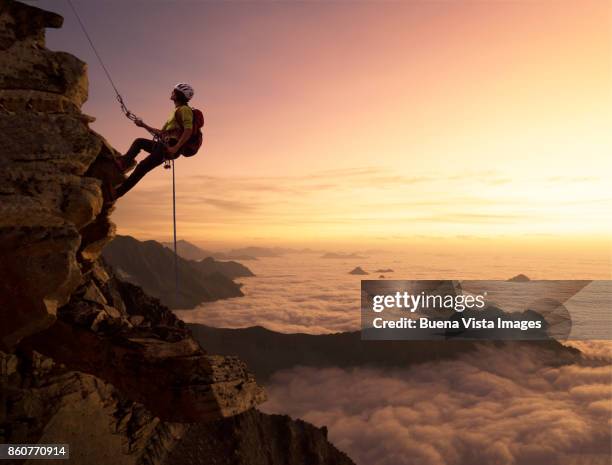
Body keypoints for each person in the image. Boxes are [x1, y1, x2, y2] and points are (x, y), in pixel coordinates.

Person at [113, 83, 195, 198]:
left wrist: (175, 148)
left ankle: (117, 193)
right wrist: (143, 125)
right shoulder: (176, 111)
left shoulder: (185, 110)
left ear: (179, 95)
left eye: (174, 91)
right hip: (164, 145)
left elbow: (188, 130)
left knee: (142, 167)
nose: (172, 93)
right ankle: (124, 163)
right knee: (139, 142)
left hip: (170, 147)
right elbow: (161, 133)